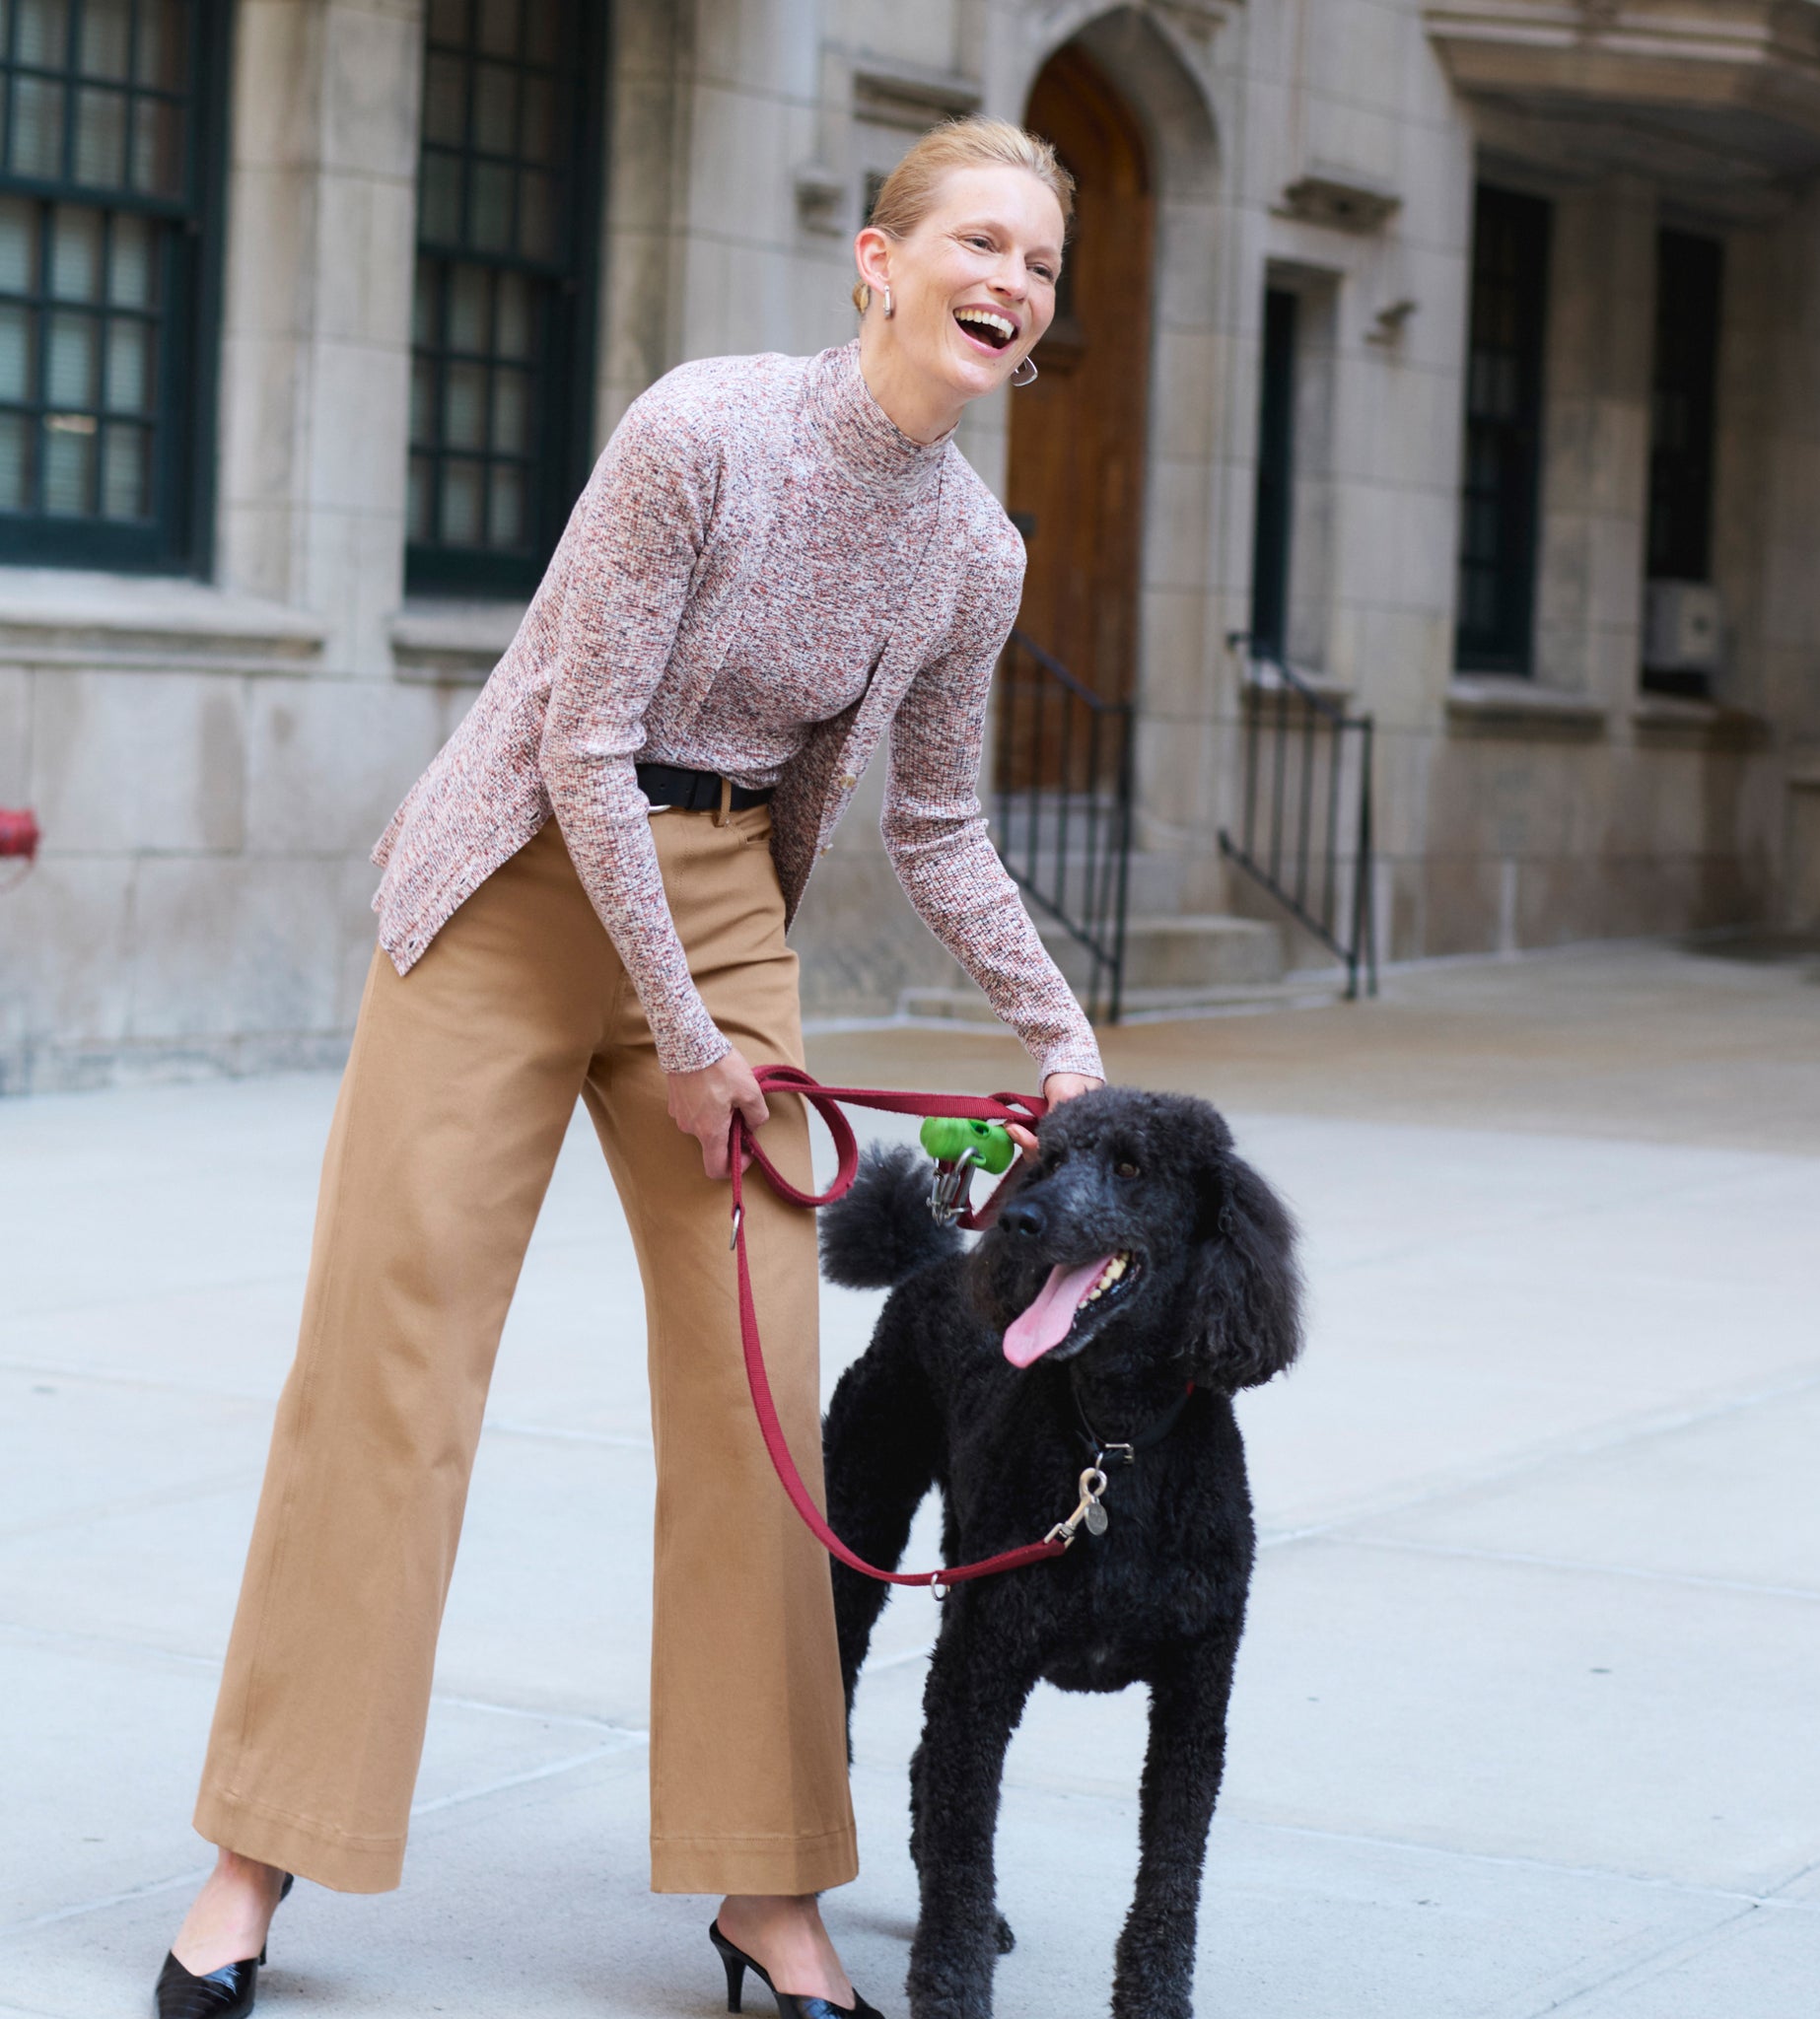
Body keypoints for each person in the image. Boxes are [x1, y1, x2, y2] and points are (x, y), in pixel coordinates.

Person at [154, 116, 1101, 2019]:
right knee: (389, 1372)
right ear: (878, 260)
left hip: (728, 906)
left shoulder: (972, 553)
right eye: (981, 244)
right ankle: (254, 1857)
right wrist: (682, 1046)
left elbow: (935, 827)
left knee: (758, 1400)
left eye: (1044, 267)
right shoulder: (702, 431)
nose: (1012, 284)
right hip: (514, 880)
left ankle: (765, 1889)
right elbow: (585, 743)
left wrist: (1063, 1041)